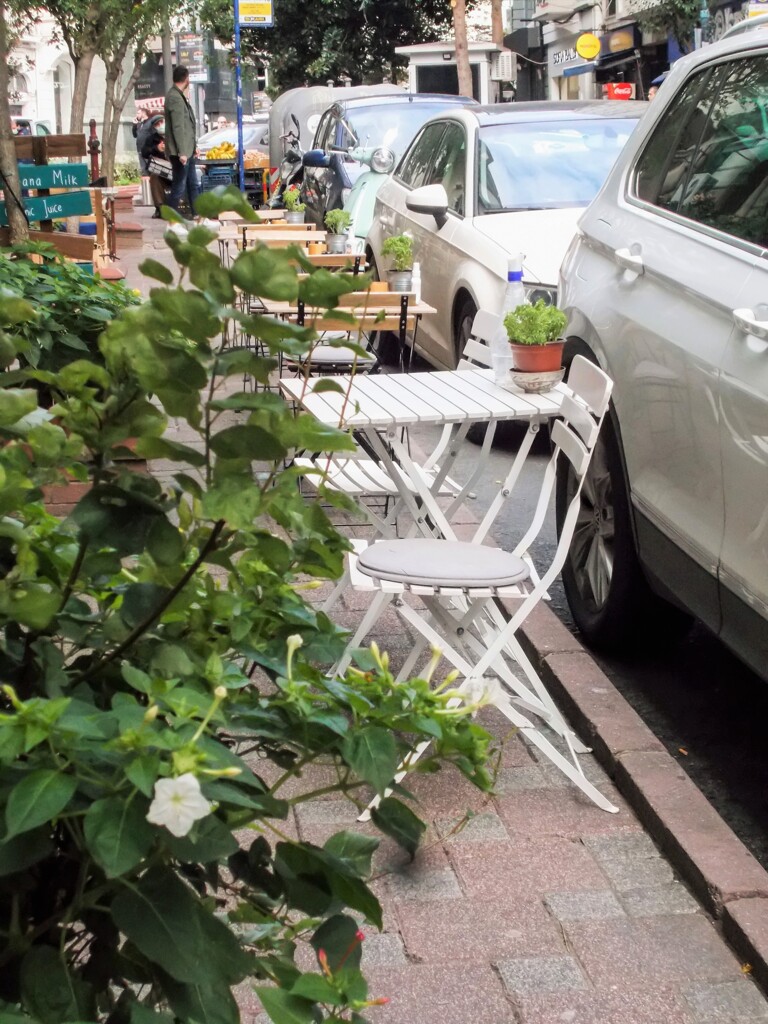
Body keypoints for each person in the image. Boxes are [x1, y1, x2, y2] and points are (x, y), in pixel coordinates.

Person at [163, 65, 199, 214]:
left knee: (192, 184)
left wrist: (193, 147)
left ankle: (198, 215)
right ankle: (171, 217)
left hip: (187, 149)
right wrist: (182, 152)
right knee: (180, 185)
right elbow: (178, 127)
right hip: (181, 151)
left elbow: (186, 126)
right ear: (186, 78)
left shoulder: (178, 96)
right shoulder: (175, 98)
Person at [141, 115, 169, 218]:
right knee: (154, 177)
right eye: (157, 124)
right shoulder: (152, 139)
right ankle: (159, 207)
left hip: (175, 168)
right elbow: (144, 152)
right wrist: (156, 148)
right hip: (161, 169)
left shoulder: (173, 135)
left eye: (162, 122)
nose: (160, 125)